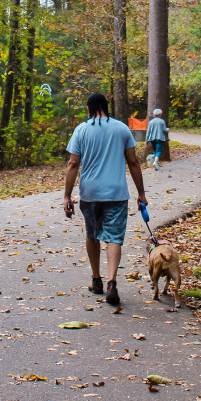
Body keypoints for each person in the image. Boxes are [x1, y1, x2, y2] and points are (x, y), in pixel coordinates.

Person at [64, 92, 148, 306]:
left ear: (88, 108)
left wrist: (67, 196)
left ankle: (96, 280)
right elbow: (133, 162)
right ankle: (112, 281)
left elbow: (73, 164)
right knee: (114, 237)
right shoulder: (121, 128)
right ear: (106, 107)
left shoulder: (81, 130)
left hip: (90, 193)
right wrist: (141, 193)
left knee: (92, 235)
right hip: (116, 193)